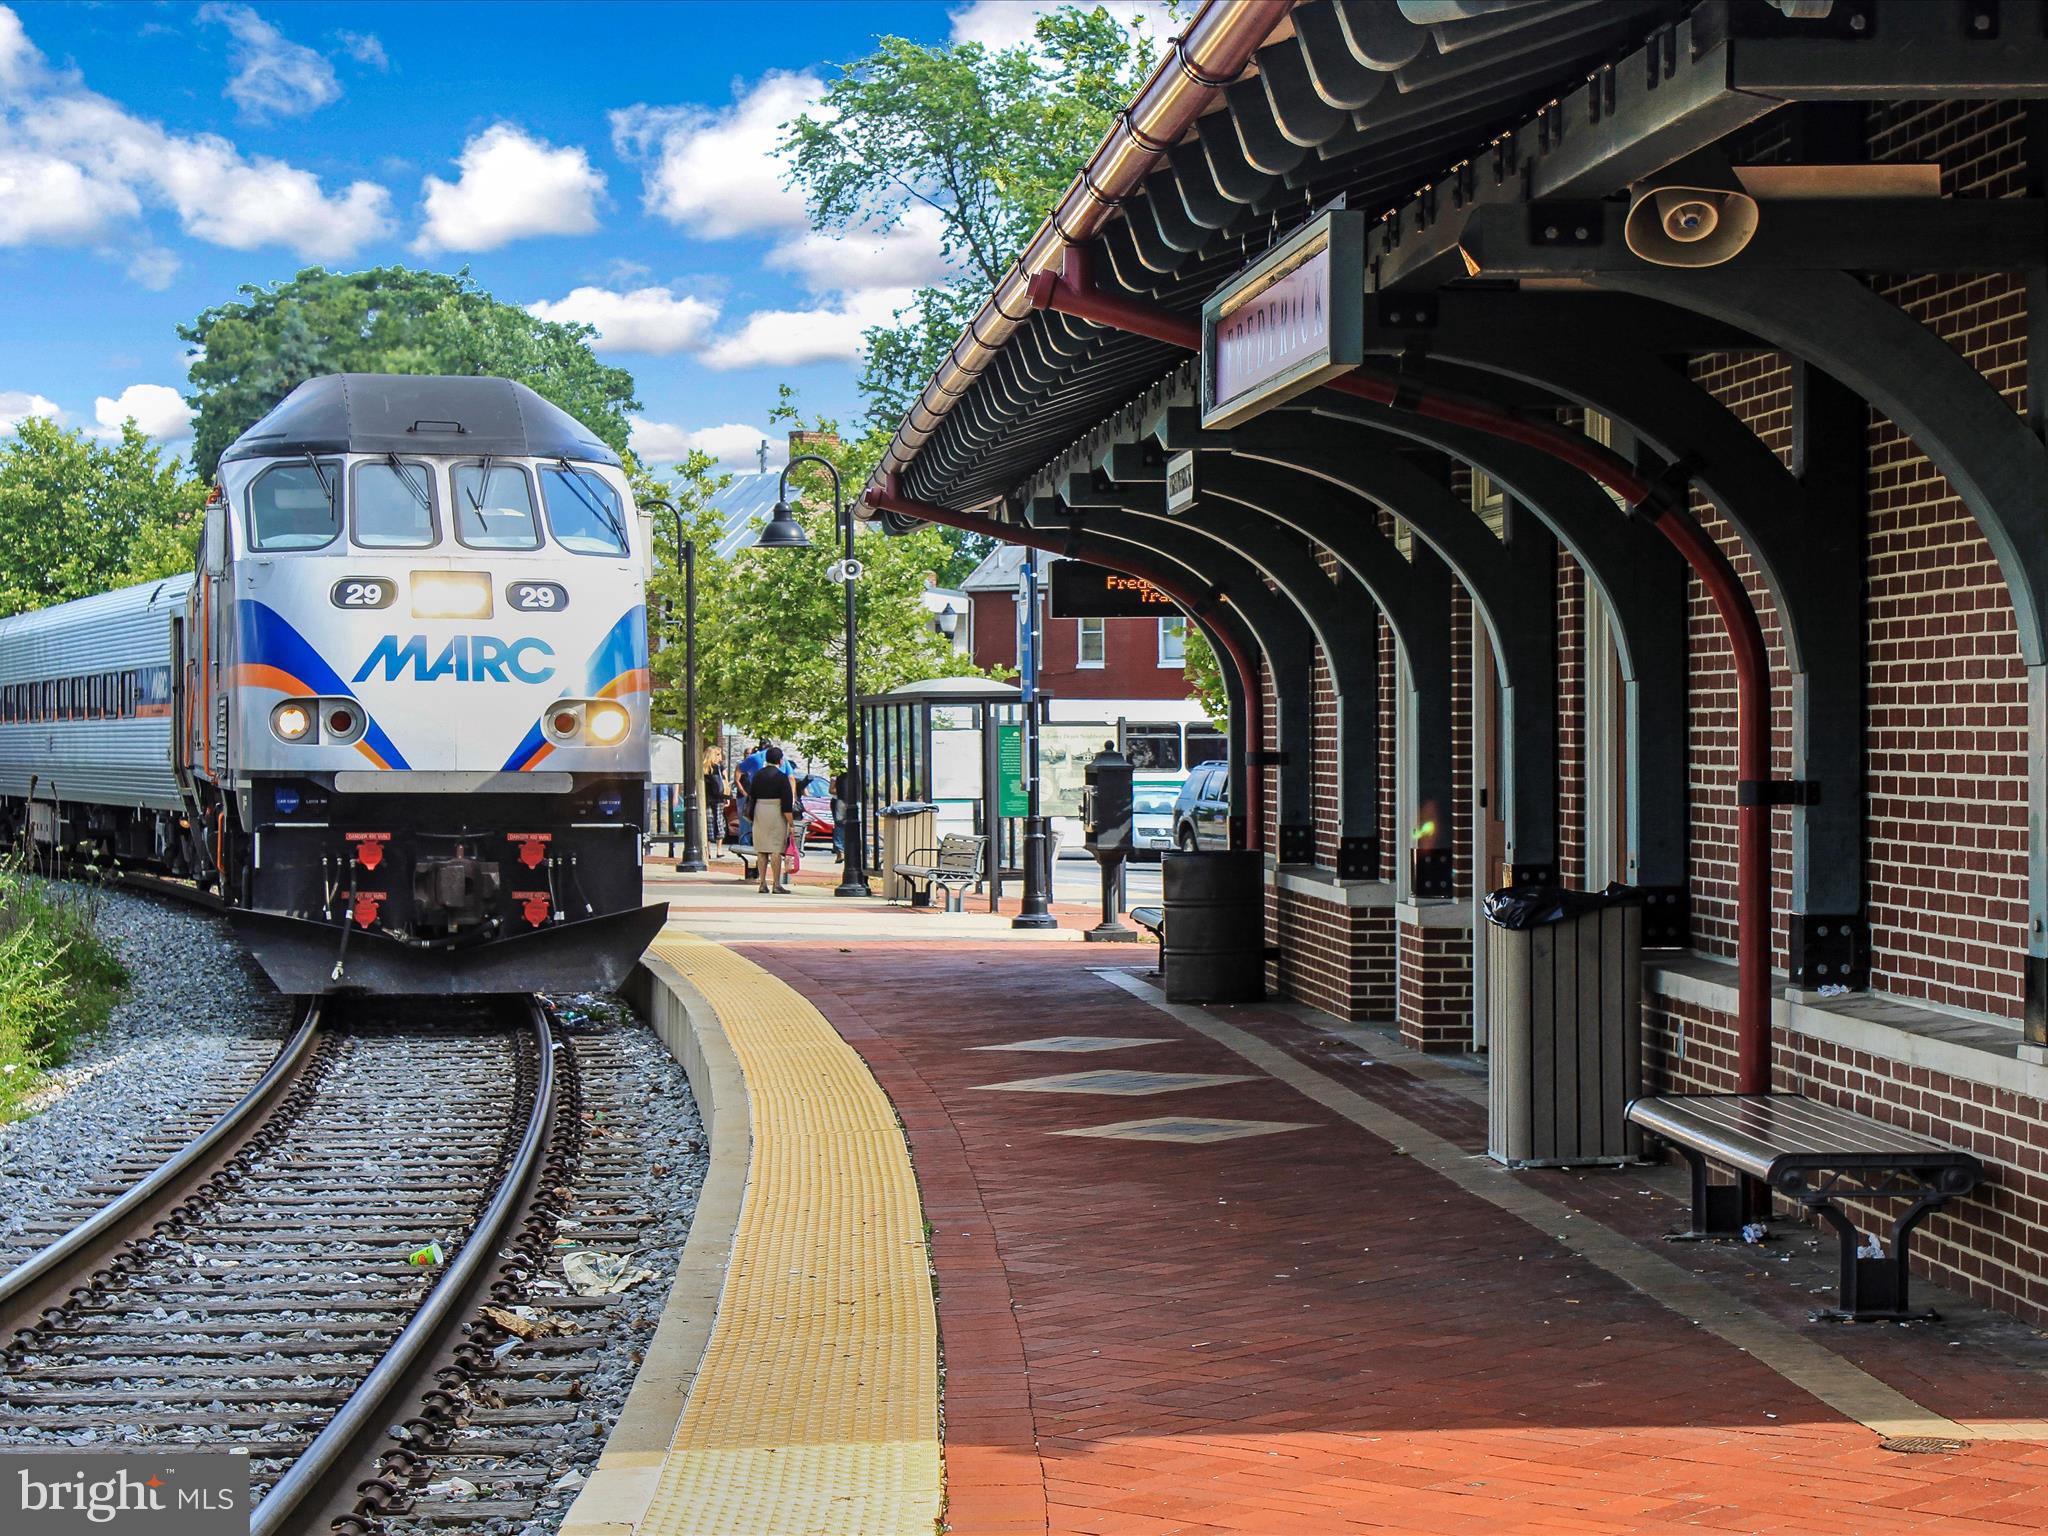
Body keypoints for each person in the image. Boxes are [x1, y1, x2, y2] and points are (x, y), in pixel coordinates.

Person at [747, 746, 796, 893]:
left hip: (759, 811)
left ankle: (762, 883)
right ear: (780, 761)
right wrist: (791, 823)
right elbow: (787, 804)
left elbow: (752, 796)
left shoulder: (757, 775)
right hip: (776, 811)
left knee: (761, 849)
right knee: (776, 849)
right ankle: (776, 884)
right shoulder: (781, 777)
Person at [735, 739, 767, 848]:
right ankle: (744, 842)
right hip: (744, 796)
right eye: (747, 753)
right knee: (744, 819)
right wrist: (744, 793)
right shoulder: (742, 765)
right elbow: (737, 780)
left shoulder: (756, 764)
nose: (749, 755)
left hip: (754, 795)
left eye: (751, 753)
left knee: (754, 819)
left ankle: (754, 841)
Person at [701, 746, 726, 847]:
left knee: (717, 822)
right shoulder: (704, 768)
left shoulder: (720, 767)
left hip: (716, 797)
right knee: (709, 822)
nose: (720, 757)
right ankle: (709, 848)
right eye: (718, 754)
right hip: (709, 798)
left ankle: (718, 848)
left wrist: (726, 796)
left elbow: (725, 782)